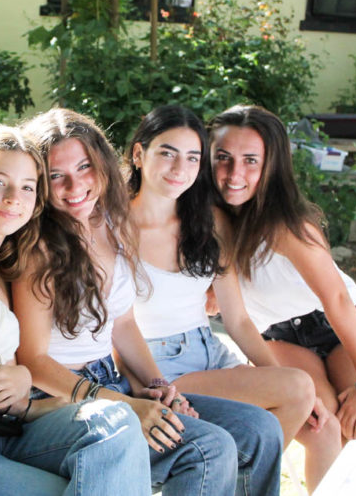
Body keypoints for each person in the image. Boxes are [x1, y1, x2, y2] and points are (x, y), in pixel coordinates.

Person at [13, 108, 283, 496]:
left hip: (112, 379)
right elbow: (34, 362)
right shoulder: (37, 248)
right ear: (39, 180)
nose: (75, 186)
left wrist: (158, 386)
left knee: (259, 430)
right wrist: (123, 404)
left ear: (103, 164)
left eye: (85, 167)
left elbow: (122, 323)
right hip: (54, 399)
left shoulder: (110, 223)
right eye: (56, 175)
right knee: (209, 448)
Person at [0, 125, 149, 496]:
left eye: (28, 186)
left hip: (7, 426)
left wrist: (23, 382)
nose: (14, 197)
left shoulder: (0, 272)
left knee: (117, 421)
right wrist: (13, 387)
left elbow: (16, 380)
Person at [208, 104, 356, 491]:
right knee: (326, 424)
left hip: (339, 323)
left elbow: (337, 301)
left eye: (251, 160)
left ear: (272, 165)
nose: (235, 174)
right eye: (223, 158)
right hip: (281, 335)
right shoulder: (210, 220)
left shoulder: (287, 224)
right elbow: (232, 309)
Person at [126, 105, 332, 466]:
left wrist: (276, 375)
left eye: (192, 158)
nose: (180, 169)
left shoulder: (207, 219)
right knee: (297, 390)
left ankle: (234, 482)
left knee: (306, 402)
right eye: (167, 154)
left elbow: (236, 319)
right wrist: (154, 388)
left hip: (211, 351)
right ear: (139, 154)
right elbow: (115, 327)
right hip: (158, 365)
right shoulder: (113, 226)